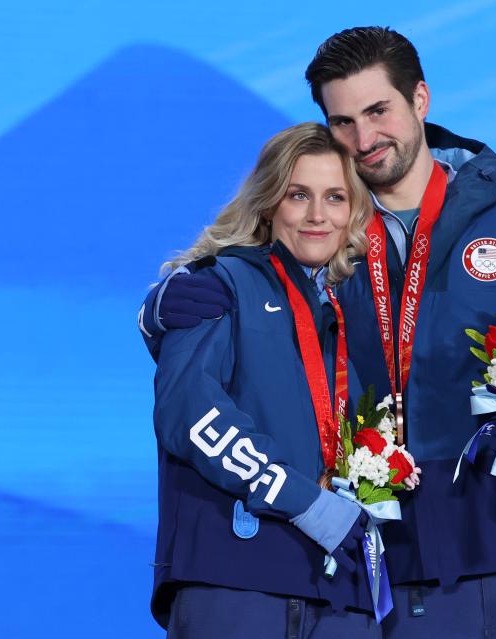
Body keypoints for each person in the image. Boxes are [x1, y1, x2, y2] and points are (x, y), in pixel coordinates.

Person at [142, 28, 496, 638]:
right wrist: (158, 307)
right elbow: (242, 293)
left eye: (378, 111)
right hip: (399, 566)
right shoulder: (328, 243)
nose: (364, 139)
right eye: (343, 122)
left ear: (421, 100)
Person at [148, 122, 384, 638]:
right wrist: (304, 501)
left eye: (335, 197)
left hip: (346, 592)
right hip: (236, 578)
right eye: (299, 195)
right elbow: (188, 414)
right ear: (269, 203)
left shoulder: (364, 312)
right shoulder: (217, 283)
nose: (318, 215)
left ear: (355, 212)